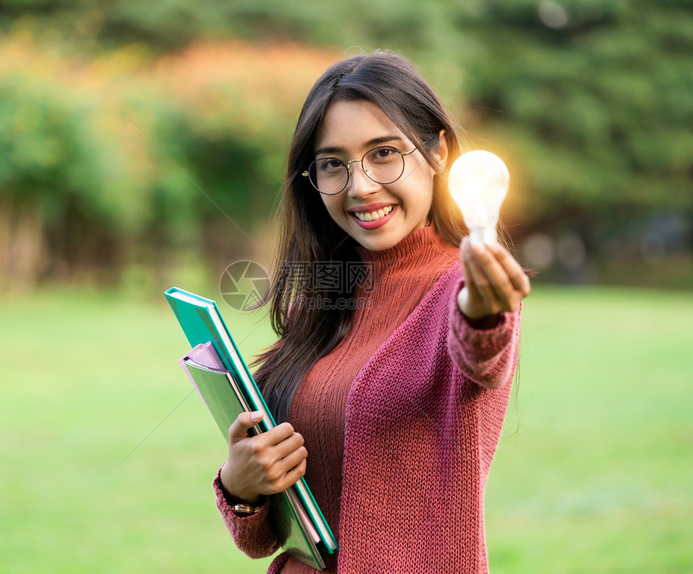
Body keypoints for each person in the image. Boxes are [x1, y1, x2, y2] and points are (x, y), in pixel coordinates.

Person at [213, 50, 530, 573]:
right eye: (333, 164)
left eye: (384, 153)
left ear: (438, 154)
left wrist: (480, 309)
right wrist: (240, 485)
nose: (360, 187)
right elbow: (263, 540)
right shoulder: (322, 297)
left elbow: (480, 352)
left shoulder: (460, 288)